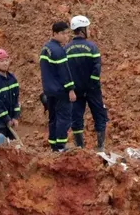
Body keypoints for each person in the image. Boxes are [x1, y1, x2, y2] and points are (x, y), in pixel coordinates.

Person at [66, 15, 108, 150]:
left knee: (76, 119)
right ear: (83, 29)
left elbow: (64, 71)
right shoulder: (92, 47)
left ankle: (80, 148)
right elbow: (97, 68)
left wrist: (71, 87)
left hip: (75, 91)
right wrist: (91, 85)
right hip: (92, 90)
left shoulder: (66, 49)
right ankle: (100, 147)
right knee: (99, 115)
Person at [39, 21, 75, 152]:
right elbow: (64, 72)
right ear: (55, 34)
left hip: (49, 90)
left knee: (53, 118)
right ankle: (60, 146)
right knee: (64, 118)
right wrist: (71, 89)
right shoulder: (58, 51)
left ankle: (53, 145)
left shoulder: (45, 48)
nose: (66, 36)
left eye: (67, 33)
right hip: (60, 90)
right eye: (63, 33)